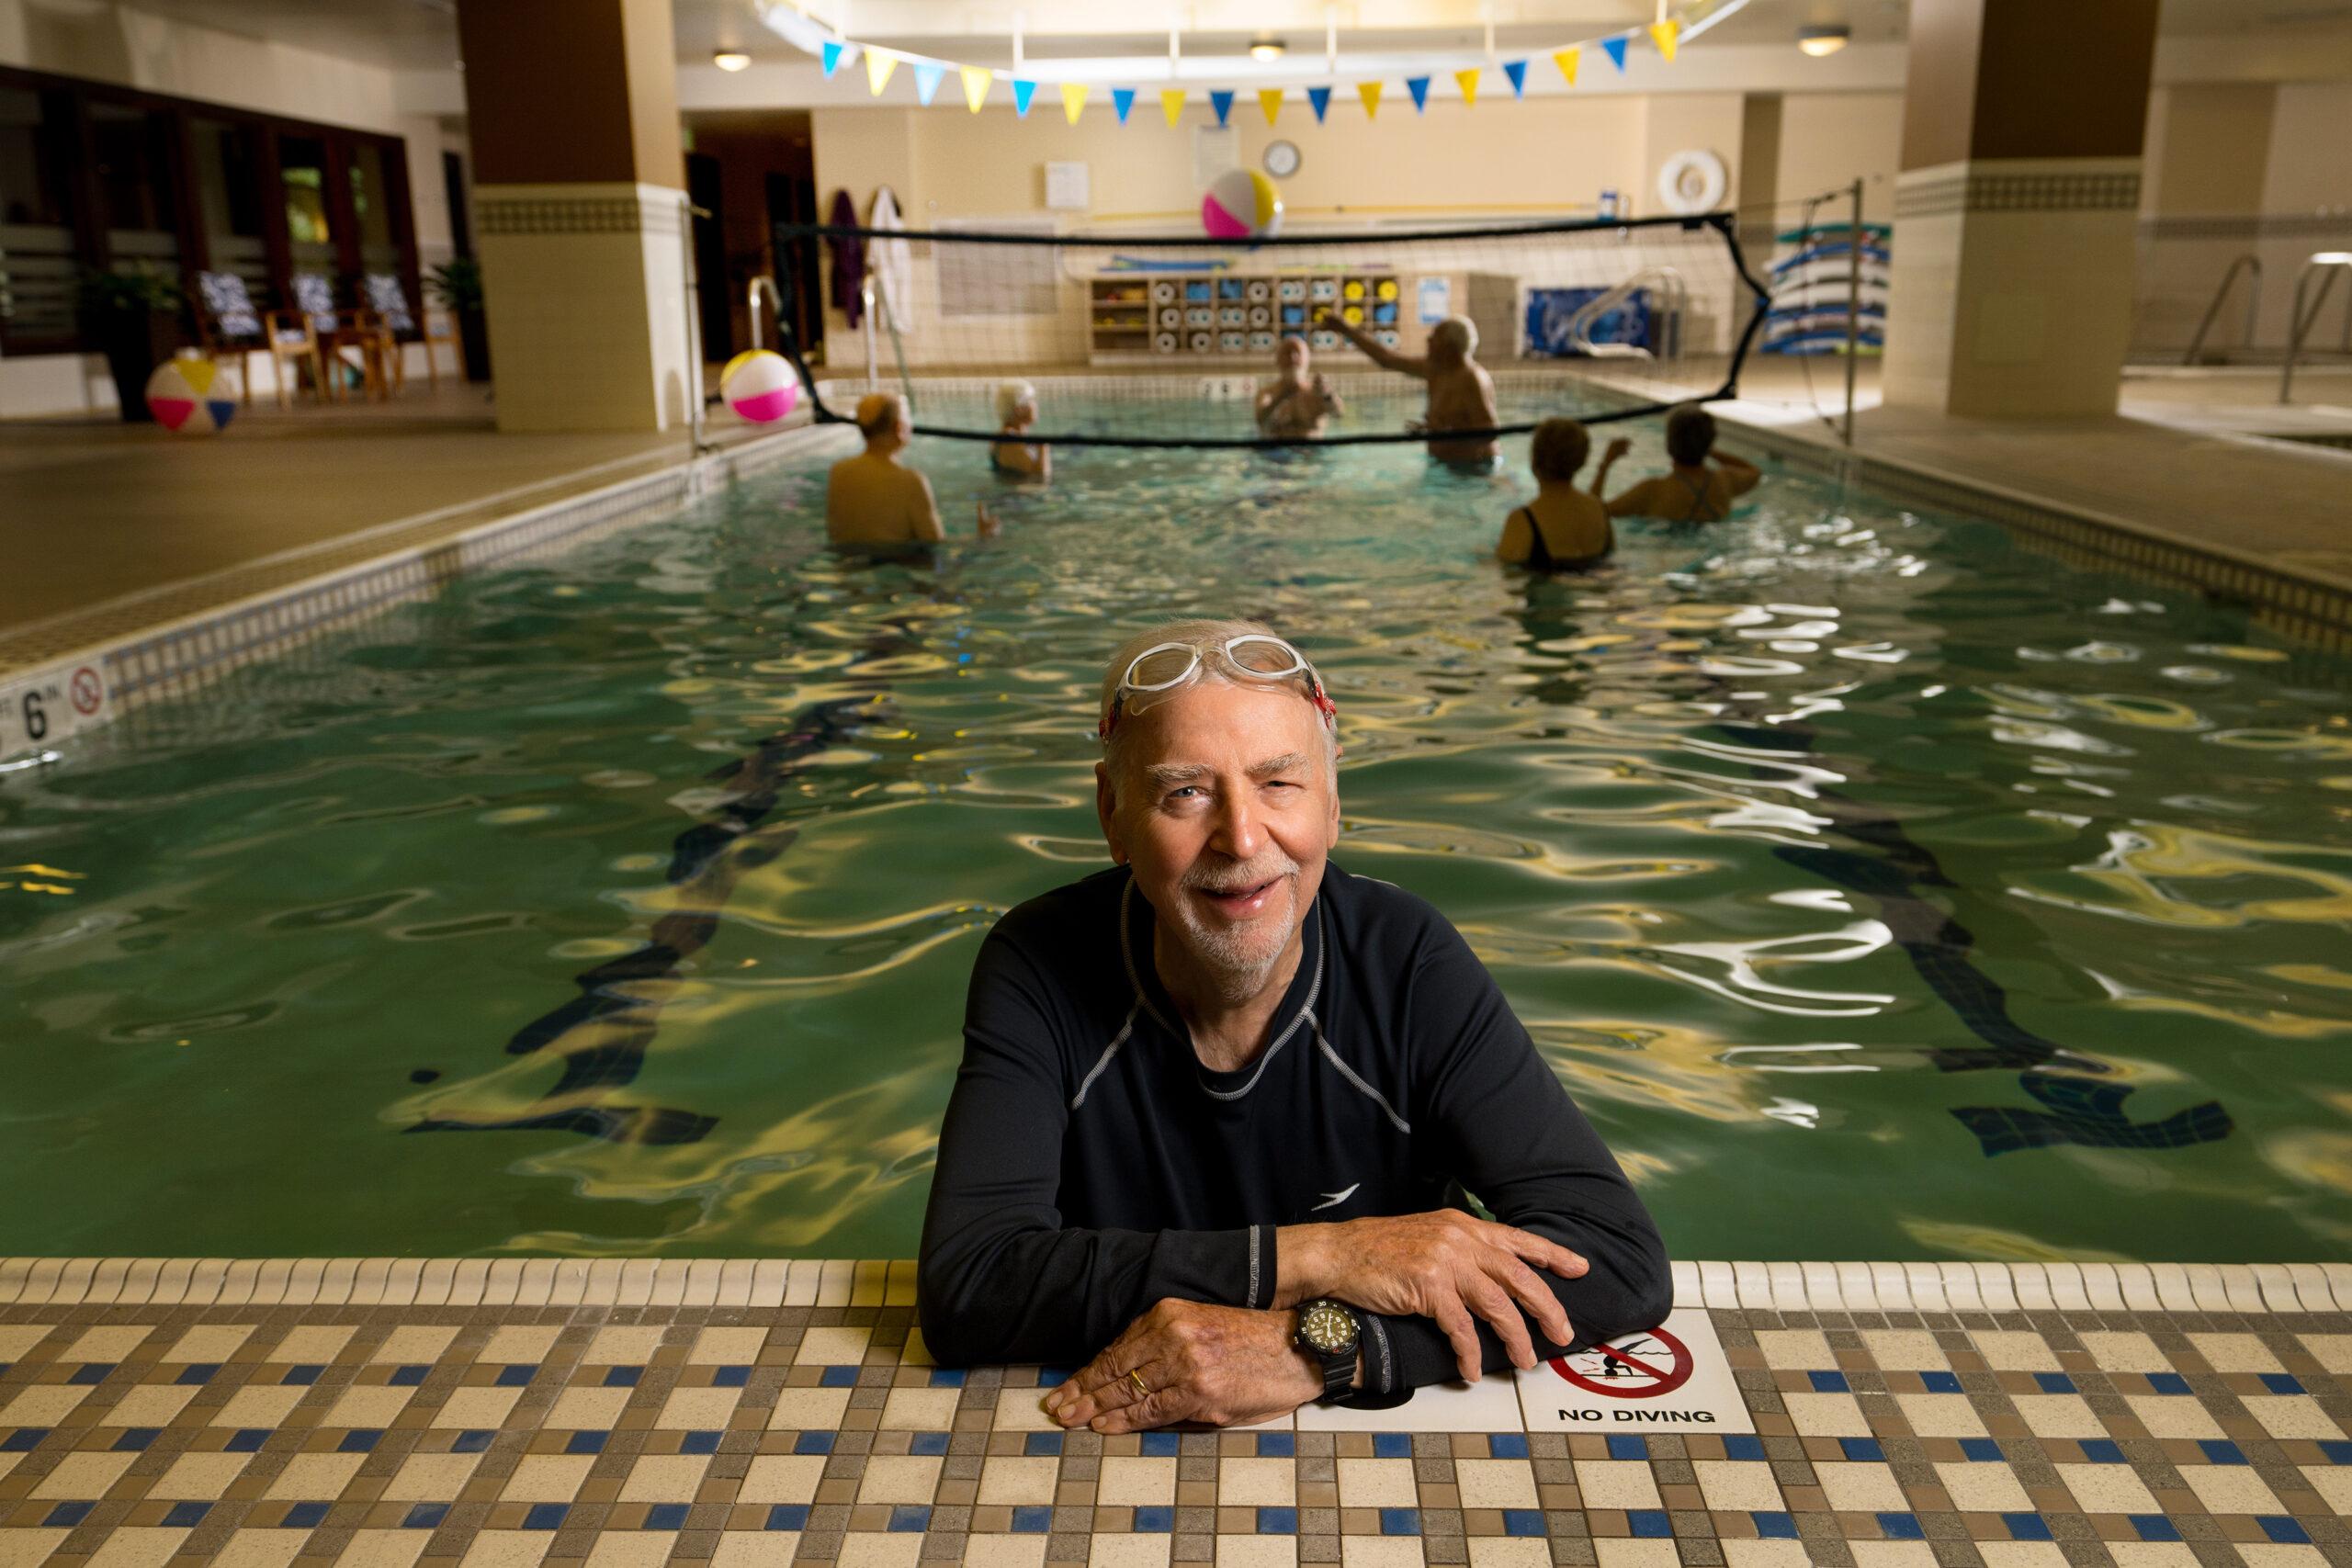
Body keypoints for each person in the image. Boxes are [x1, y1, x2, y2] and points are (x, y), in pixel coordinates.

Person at [918, 617, 1670, 1430]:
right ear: (1113, 813)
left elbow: (1619, 1260)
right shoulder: (1040, 961)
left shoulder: (1407, 963)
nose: (1242, 837)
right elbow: (969, 1283)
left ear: (1334, 802)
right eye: (1185, 791)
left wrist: (1317, 1349)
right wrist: (1326, 1254)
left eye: (1279, 783)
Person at [1316, 310, 1498, 468]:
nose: (1428, 340)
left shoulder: (1471, 378)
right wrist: (1345, 329)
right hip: (1446, 465)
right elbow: (1386, 359)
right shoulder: (1436, 370)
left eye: (1434, 337)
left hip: (1475, 468)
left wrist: (1445, 432)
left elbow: (1489, 432)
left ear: (1449, 347)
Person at [826, 392, 999, 551]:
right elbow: (935, 548)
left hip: (848, 573)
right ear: (899, 428)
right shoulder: (911, 481)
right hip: (899, 576)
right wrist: (980, 539)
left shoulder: (838, 472)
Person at [1594, 402, 1761, 523]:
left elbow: (1594, 513)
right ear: (1710, 441)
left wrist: (1606, 464)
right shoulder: (1725, 481)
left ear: (1669, 445)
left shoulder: (1651, 491)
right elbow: (1754, 472)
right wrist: (1707, 448)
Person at [1498, 418, 1612, 572]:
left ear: (1534, 462)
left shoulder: (1523, 520)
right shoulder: (1599, 510)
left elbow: (1509, 580)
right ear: (1582, 462)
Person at [1254, 336, 1343, 440]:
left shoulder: (1317, 393)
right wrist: (1280, 398)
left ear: (1307, 359)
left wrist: (1327, 394)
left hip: (1313, 452)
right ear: (1277, 359)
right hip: (1277, 452)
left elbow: (1338, 414)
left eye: (1297, 353)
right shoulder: (1268, 393)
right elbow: (1261, 421)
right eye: (1287, 353)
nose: (1292, 357)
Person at [990, 380, 1050, 481]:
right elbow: (1040, 480)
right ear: (1019, 409)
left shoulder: (1014, 436)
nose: (1035, 405)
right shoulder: (1009, 438)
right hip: (1016, 496)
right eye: (1031, 400)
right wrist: (1043, 447)